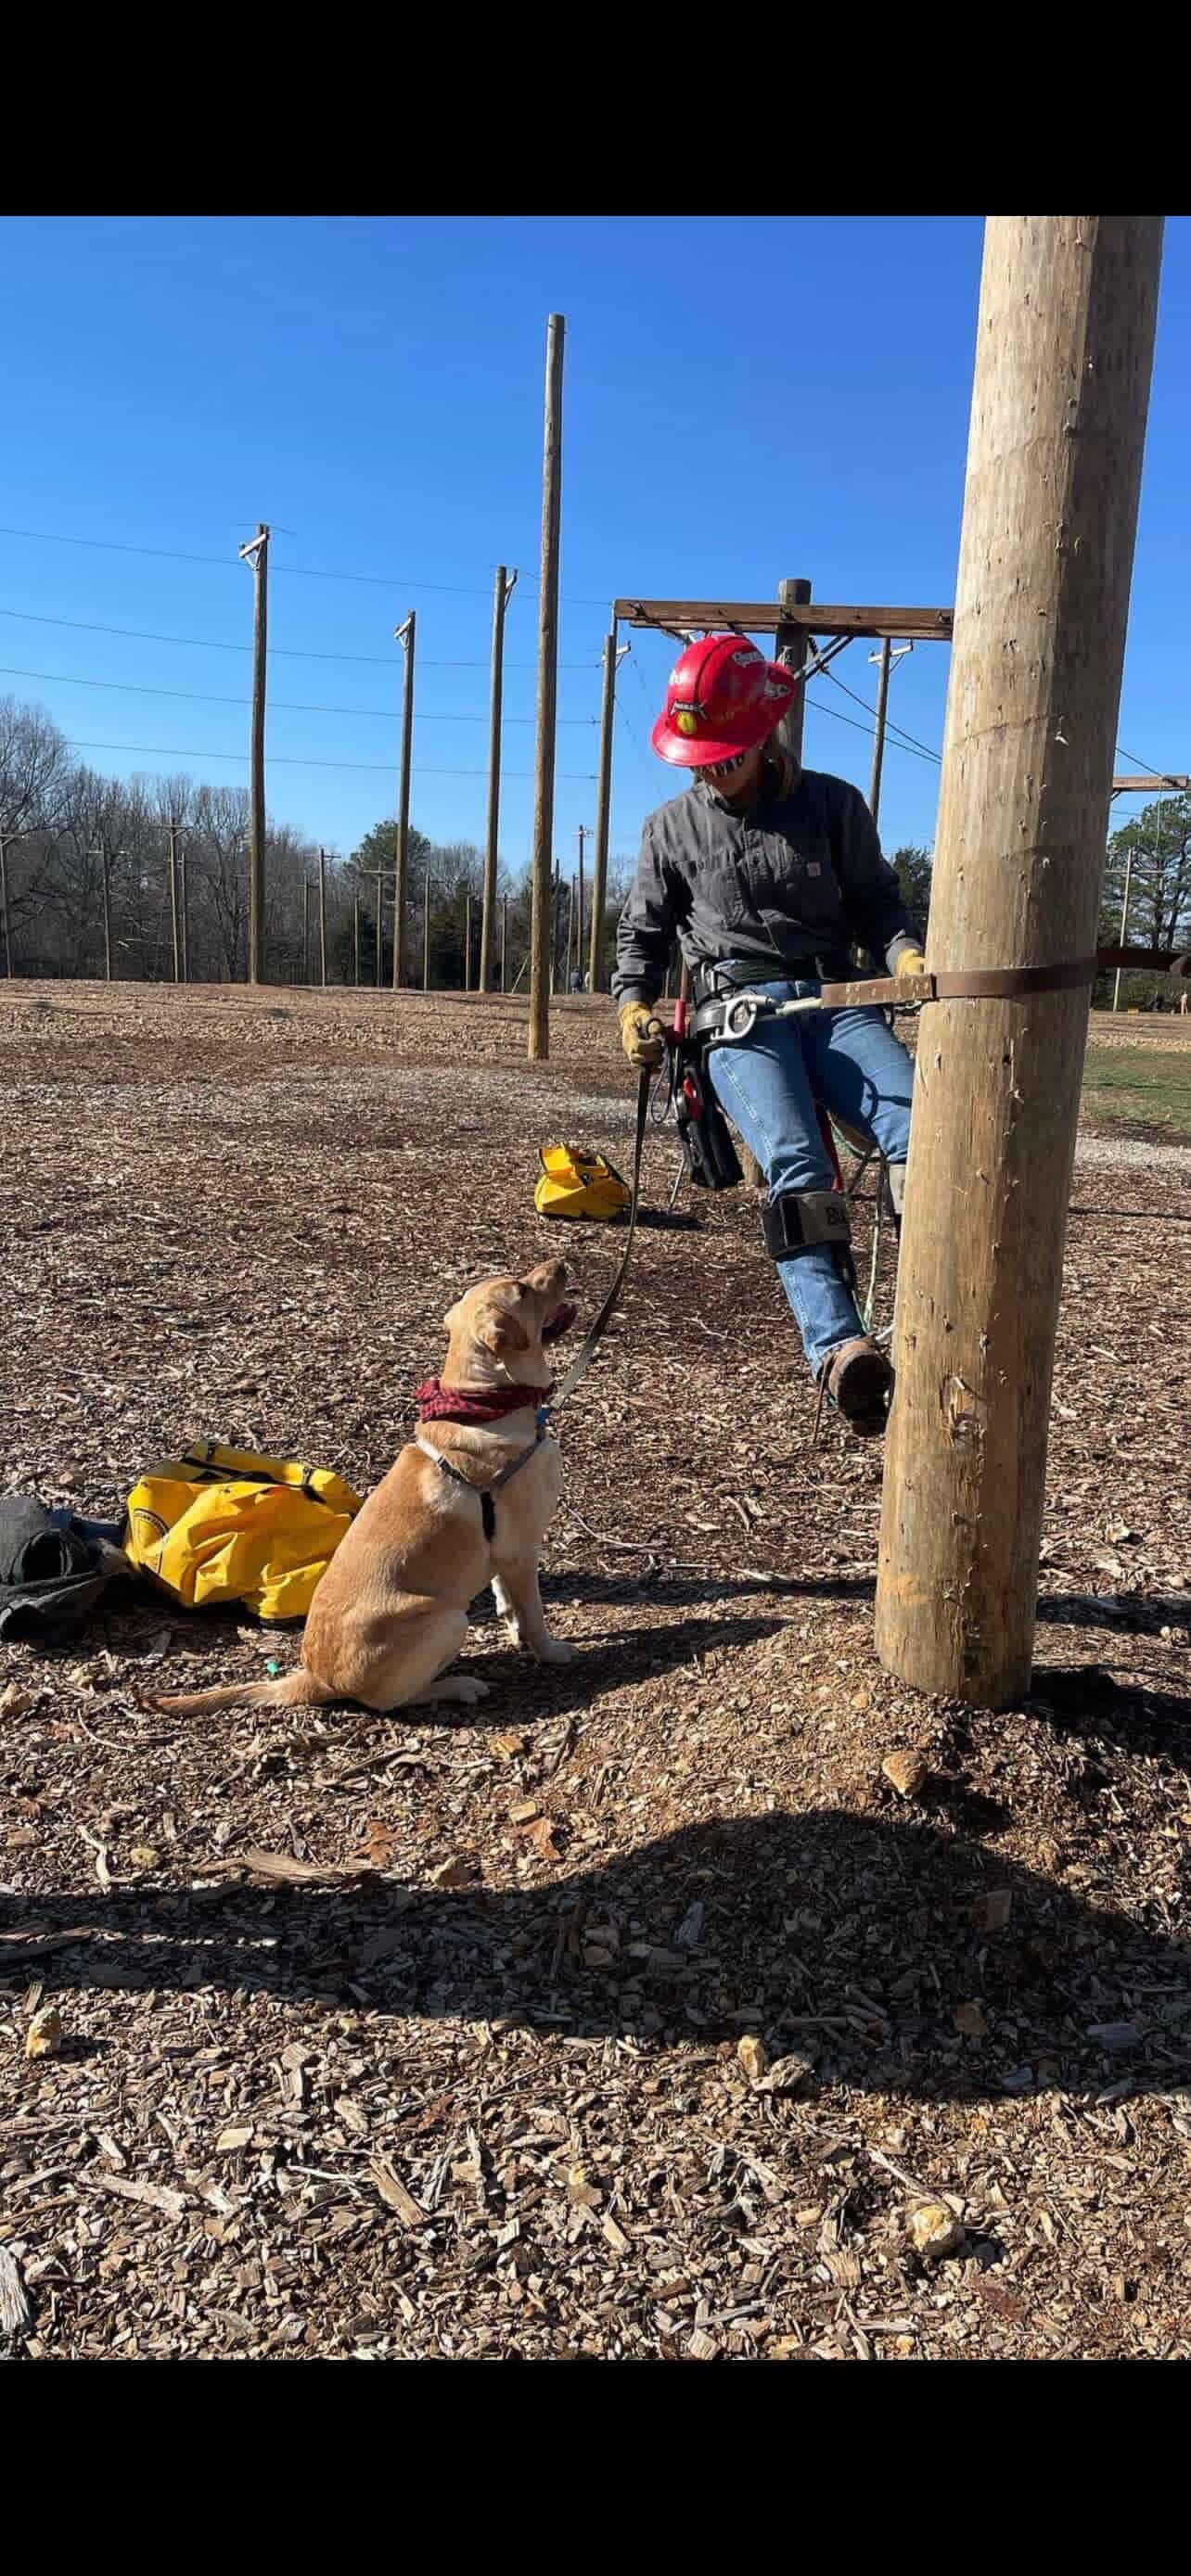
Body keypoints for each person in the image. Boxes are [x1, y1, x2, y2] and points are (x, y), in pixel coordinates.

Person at [612, 631, 925, 1435]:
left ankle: (939, 1307)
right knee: (799, 1167)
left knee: (918, 1130)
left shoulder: (830, 806)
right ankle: (840, 1349)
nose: (708, 768)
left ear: (765, 737)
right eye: (698, 756)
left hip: (835, 998)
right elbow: (641, 939)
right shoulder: (668, 831)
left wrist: (907, 953)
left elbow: (879, 906)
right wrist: (632, 1007)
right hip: (739, 1015)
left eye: (725, 753)